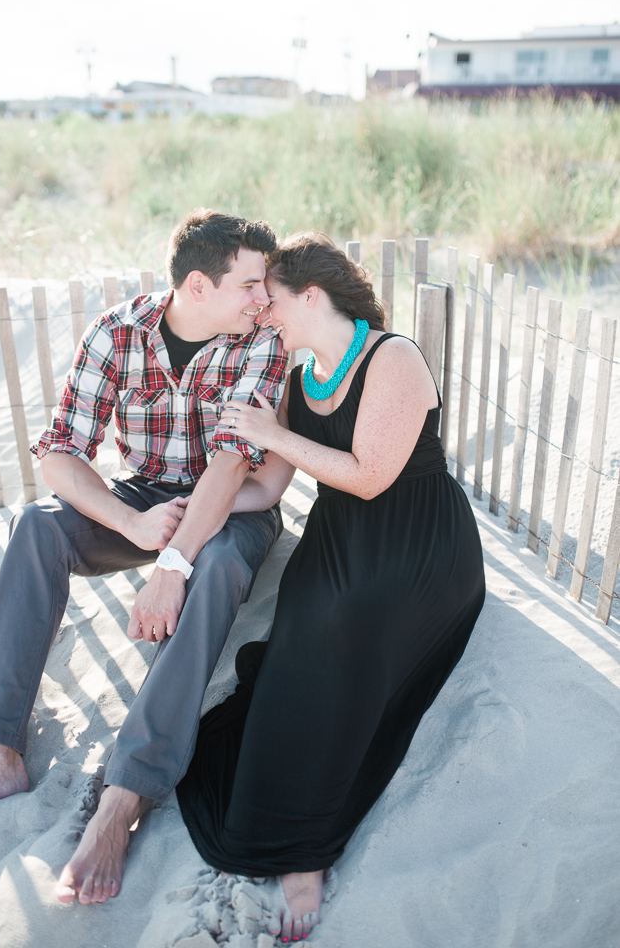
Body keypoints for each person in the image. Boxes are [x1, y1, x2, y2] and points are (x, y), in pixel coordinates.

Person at [0, 209, 294, 906]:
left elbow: (233, 464)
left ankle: (127, 791)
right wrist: (132, 523)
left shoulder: (261, 342)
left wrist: (173, 565)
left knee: (221, 564)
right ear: (198, 286)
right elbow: (59, 455)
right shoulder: (116, 332)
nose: (265, 299)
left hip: (231, 505)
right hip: (143, 495)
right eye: (251, 284)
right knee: (38, 527)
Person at [176, 233, 486, 943]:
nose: (265, 314)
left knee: (353, 627)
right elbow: (269, 488)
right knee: (300, 638)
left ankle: (305, 848)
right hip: (341, 533)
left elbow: (371, 474)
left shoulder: (392, 357)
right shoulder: (296, 376)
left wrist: (273, 436)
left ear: (311, 295)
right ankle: (281, 808)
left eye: (274, 301)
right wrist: (195, 512)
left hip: (419, 541)